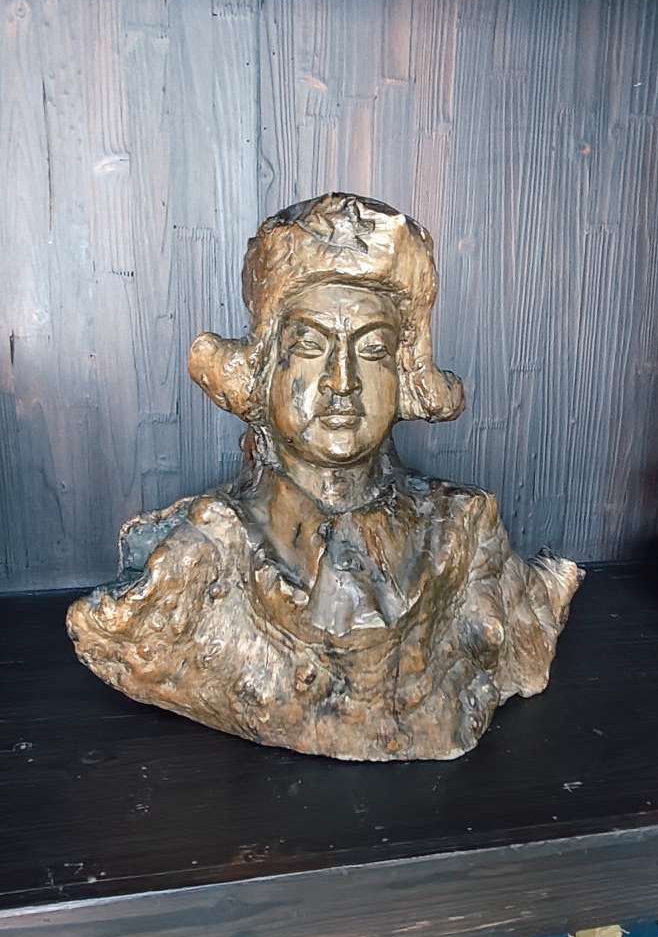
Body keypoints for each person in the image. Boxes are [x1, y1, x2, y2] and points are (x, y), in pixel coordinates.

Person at [67, 194, 581, 761]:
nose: (342, 381)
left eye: (373, 349)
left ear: (405, 373)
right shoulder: (200, 560)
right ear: (265, 366)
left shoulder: (465, 529)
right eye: (310, 345)